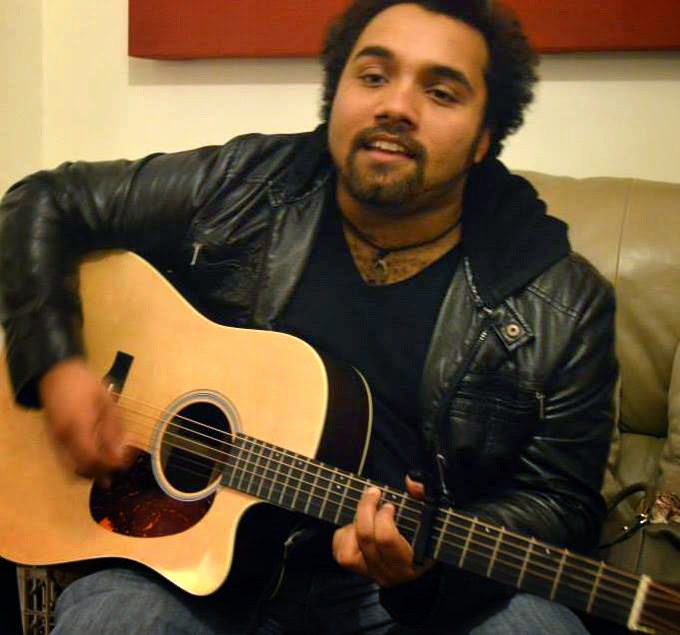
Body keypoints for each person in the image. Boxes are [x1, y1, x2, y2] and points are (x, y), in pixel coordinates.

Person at [0, 1, 618, 633]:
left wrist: (430, 567)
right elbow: (42, 202)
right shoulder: (243, 185)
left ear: (486, 135)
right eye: (373, 76)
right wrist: (56, 364)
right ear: (336, 93)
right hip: (188, 570)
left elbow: (561, 505)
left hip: (400, 604)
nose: (396, 106)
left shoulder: (561, 301)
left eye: (440, 92)